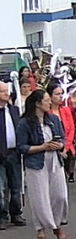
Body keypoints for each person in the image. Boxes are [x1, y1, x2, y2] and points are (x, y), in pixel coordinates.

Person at [16, 89, 69, 239]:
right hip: (36, 162)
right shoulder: (25, 123)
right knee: (40, 199)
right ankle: (41, 233)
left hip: (54, 160)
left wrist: (59, 145)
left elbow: (62, 139)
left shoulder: (53, 119)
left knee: (60, 196)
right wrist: (42, 147)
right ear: (38, 104)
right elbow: (21, 147)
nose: (49, 102)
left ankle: (56, 224)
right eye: (46, 100)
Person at [0, 83, 25, 228]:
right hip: (0, 155)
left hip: (14, 153)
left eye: (6, 91)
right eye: (2, 91)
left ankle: (16, 213)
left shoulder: (14, 110)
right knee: (1, 188)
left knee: (16, 186)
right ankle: (2, 216)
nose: (6, 93)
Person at [46, 83, 75, 180]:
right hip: (51, 147)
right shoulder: (46, 113)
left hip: (66, 148)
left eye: (61, 93)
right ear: (50, 96)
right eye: (57, 94)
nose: (60, 96)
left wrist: (65, 148)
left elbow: (71, 130)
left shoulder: (66, 110)